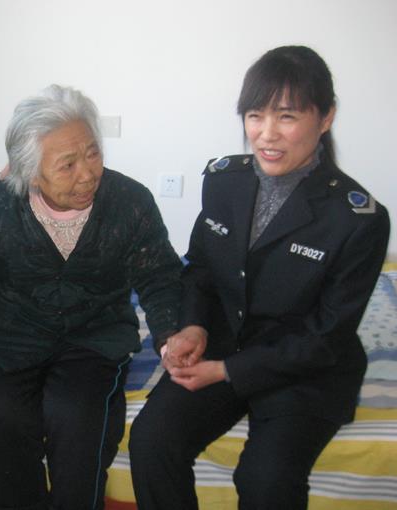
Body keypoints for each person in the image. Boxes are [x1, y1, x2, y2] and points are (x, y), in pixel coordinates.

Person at [129, 45, 391, 510]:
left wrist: (226, 371)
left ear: (325, 118)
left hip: (304, 370)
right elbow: (201, 269)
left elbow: (326, 336)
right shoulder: (224, 180)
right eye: (255, 115)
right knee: (151, 440)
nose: (266, 134)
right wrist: (193, 326)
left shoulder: (357, 218)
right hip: (225, 343)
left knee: (265, 481)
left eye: (287, 116)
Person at [0, 84, 183, 510]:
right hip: (10, 335)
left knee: (77, 421)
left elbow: (160, 276)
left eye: (93, 153)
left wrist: (169, 336)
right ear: (29, 173)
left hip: (93, 337)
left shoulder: (129, 201)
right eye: (68, 165)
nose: (88, 173)